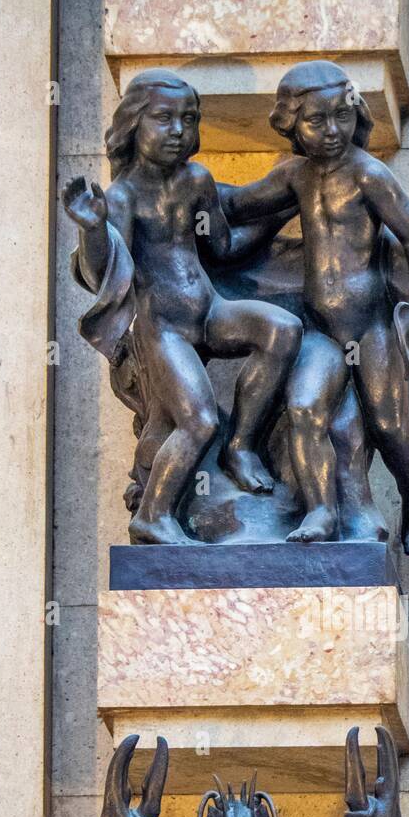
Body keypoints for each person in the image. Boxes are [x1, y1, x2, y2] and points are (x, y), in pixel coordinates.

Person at [64, 68, 302, 545]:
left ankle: (241, 447)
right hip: (162, 328)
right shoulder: (124, 196)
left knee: (283, 330)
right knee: (198, 421)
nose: (178, 131)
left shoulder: (196, 179)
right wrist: (93, 230)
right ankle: (153, 515)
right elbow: (104, 272)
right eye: (163, 119)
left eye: (188, 119)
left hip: (209, 312)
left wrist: (284, 210)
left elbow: (223, 248)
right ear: (134, 124)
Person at [224, 60, 409, 554]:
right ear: (291, 125)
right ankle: (321, 510)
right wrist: (178, 189)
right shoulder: (296, 177)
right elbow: (237, 205)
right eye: (316, 121)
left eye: (341, 117)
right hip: (319, 330)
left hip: (369, 331)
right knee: (304, 407)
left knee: (389, 425)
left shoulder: (369, 175)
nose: (331, 131)